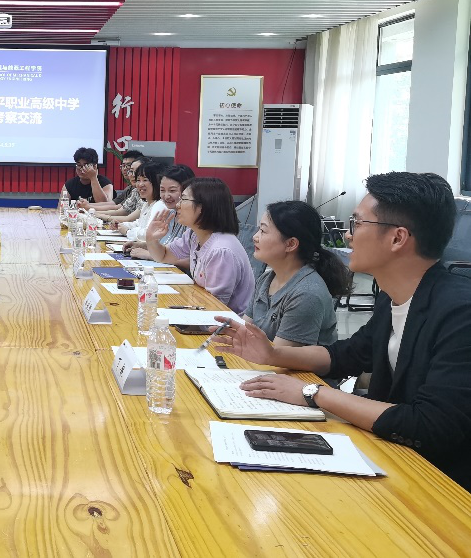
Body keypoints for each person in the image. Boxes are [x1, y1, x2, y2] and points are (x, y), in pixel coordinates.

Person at [211, 172, 471, 492]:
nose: (347, 235)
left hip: (443, 485)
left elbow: (430, 425)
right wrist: (273, 354)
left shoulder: (460, 313)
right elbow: (347, 355)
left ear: (397, 238)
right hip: (394, 459)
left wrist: (313, 393)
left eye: (357, 223)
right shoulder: (392, 297)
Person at [143, 176, 255, 314]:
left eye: (184, 199)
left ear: (203, 206)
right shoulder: (194, 235)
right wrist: (151, 239)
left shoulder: (221, 251)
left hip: (224, 322)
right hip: (201, 310)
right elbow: (164, 256)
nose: (178, 205)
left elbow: (215, 307)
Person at [248, 200, 352, 346]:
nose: (255, 237)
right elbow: (245, 329)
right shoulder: (266, 279)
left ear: (291, 244)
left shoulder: (307, 294)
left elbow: (279, 355)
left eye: (263, 231)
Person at [125, 163, 196, 267]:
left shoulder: (194, 221)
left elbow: (194, 260)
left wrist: (150, 255)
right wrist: (143, 245)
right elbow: (168, 246)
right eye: (162, 190)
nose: (166, 196)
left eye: (172, 190)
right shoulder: (170, 213)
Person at [117, 163, 167, 240]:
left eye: (145, 180)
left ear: (157, 182)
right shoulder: (147, 204)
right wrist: (122, 225)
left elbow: (148, 233)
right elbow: (140, 224)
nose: (140, 184)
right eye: (138, 180)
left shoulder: (159, 205)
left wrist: (127, 232)